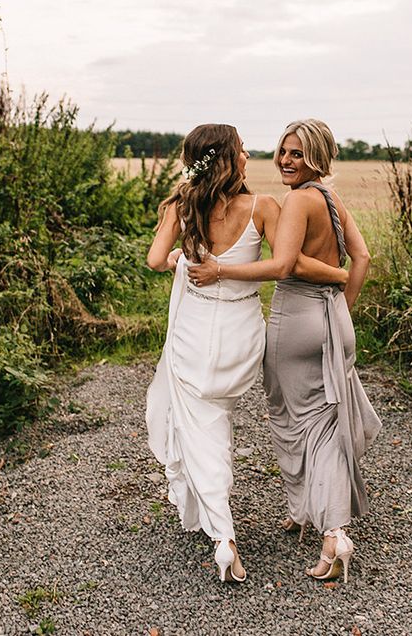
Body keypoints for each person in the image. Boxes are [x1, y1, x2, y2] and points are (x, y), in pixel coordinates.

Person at [145, 123, 347, 583]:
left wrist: (181, 258)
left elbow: (157, 259)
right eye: (241, 149)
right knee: (227, 414)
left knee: (204, 425)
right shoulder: (263, 207)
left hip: (194, 332)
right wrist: (339, 276)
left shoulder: (181, 205)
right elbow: (288, 264)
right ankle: (316, 517)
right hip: (241, 333)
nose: (248, 154)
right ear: (226, 159)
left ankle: (223, 537)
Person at [188, 118, 381, 583]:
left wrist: (220, 273)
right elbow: (363, 258)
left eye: (296, 153)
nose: (285, 161)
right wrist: (341, 306)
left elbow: (284, 264)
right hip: (332, 318)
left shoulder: (296, 201)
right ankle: (304, 513)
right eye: (282, 151)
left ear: (316, 157)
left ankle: (333, 531)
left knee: (297, 424)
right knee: (321, 420)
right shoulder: (333, 200)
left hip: (295, 320)